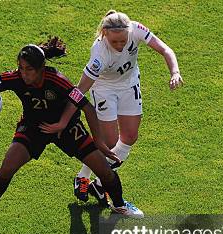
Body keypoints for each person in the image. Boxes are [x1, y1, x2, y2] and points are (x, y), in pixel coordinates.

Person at [0, 37, 144, 227]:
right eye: (21, 68)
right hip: (34, 127)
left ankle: (120, 205)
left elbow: (86, 107)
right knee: (7, 167)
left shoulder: (57, 80)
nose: (23, 74)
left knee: (104, 170)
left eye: (29, 69)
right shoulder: (13, 78)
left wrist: (100, 143)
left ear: (41, 69)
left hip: (66, 128)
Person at [40, 11, 184, 204]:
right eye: (114, 42)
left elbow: (165, 49)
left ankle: (97, 184)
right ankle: (83, 177)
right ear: (104, 34)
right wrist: (63, 121)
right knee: (109, 143)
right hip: (104, 90)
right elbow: (80, 89)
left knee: (130, 137)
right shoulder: (99, 54)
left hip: (129, 84)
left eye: (123, 41)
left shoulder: (136, 29)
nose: (119, 46)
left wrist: (174, 72)